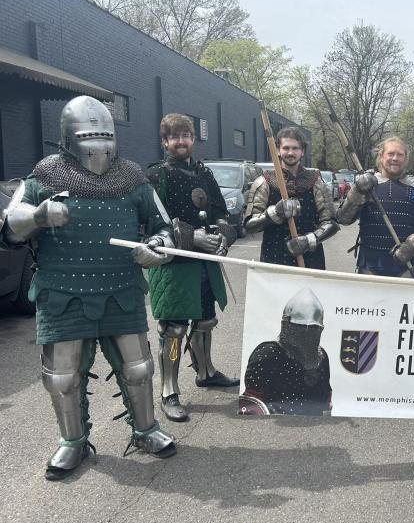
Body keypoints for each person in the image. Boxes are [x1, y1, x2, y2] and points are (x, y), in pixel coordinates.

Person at [2, 96, 176, 480]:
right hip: (63, 295)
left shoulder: (133, 179)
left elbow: (166, 227)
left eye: (104, 136)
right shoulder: (43, 177)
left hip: (121, 289)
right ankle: (73, 441)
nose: (99, 147)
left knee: (138, 368)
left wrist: (158, 248)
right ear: (68, 139)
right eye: (89, 137)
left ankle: (146, 430)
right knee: (62, 376)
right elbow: (8, 228)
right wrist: (38, 215)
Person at [146, 113, 239, 423]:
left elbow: (221, 212)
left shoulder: (204, 173)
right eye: (175, 137)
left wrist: (222, 236)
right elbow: (151, 222)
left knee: (204, 321)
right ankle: (169, 391)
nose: (181, 141)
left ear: (193, 139)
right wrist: (191, 236)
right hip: (173, 265)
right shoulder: (158, 175)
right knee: (173, 331)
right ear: (165, 142)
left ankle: (206, 371)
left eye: (186, 135)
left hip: (203, 264)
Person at [336, 136, 414, 277]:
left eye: (400, 155)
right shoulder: (367, 184)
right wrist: (357, 191)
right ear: (381, 156)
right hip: (369, 266)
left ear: (405, 158)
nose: (395, 158)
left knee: (405, 300)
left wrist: (411, 246)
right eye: (390, 154)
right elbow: (343, 218)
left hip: (404, 267)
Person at [243, 126, 338, 268]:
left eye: (295, 148)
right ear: (278, 150)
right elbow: (250, 225)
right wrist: (274, 213)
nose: (290, 152)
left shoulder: (316, 182)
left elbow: (330, 222)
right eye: (286, 148)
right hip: (274, 258)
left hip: (310, 261)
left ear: (302, 151)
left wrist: (309, 240)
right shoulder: (264, 182)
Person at [239, 288, 331, 415]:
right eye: (300, 327)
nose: (306, 333)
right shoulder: (267, 354)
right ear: (287, 324)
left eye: (312, 329)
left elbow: (325, 403)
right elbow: (252, 404)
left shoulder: (321, 357)